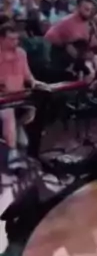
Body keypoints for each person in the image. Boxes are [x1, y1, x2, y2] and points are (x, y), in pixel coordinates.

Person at [0, 22, 50, 166]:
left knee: (25, 139)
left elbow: (28, 76)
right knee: (8, 118)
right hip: (3, 101)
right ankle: (12, 162)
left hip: (21, 99)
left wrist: (36, 83)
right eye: (11, 39)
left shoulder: (21, 53)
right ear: (1, 39)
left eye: (17, 39)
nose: (15, 42)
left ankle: (27, 157)